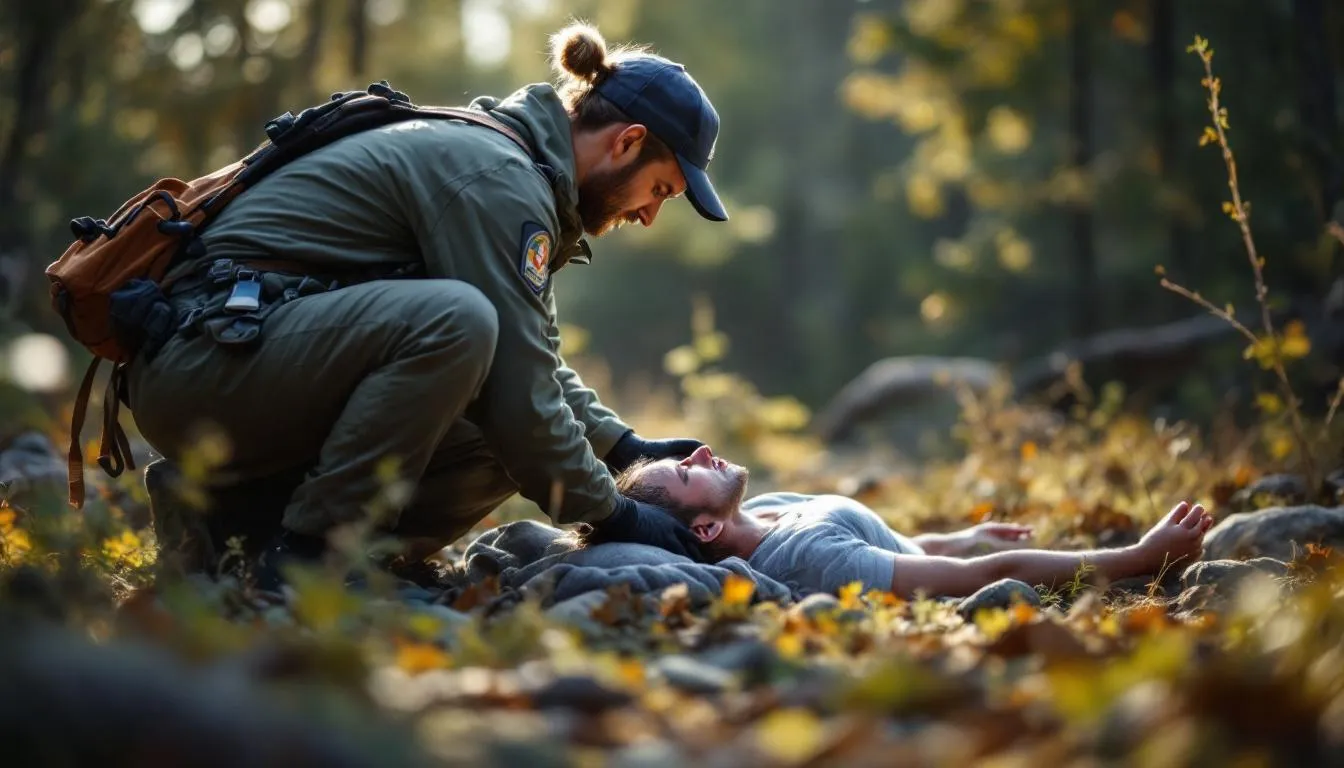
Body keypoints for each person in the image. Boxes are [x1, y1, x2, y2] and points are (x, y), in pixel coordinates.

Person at [126, 23, 725, 585]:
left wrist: (622, 448)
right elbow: (521, 395)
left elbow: (530, 369)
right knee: (459, 326)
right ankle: (311, 563)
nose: (648, 215)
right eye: (662, 190)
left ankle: (238, 531)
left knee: (502, 411)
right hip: (203, 364)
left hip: (253, 360)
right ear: (628, 143)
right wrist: (616, 515)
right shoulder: (496, 177)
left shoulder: (517, 169)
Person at [610, 445, 1215, 598]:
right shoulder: (804, 559)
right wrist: (1141, 555)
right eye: (688, 473)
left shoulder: (764, 513)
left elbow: (885, 548)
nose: (697, 453)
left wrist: (956, 536)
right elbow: (986, 576)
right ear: (707, 530)